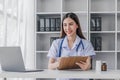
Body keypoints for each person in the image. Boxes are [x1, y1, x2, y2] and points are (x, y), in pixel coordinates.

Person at [47, 12, 96, 80]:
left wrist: (87, 67)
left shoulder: (86, 44)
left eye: (71, 24)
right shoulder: (56, 43)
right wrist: (59, 63)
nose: (67, 28)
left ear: (77, 25)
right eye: (65, 25)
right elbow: (50, 66)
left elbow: (88, 64)